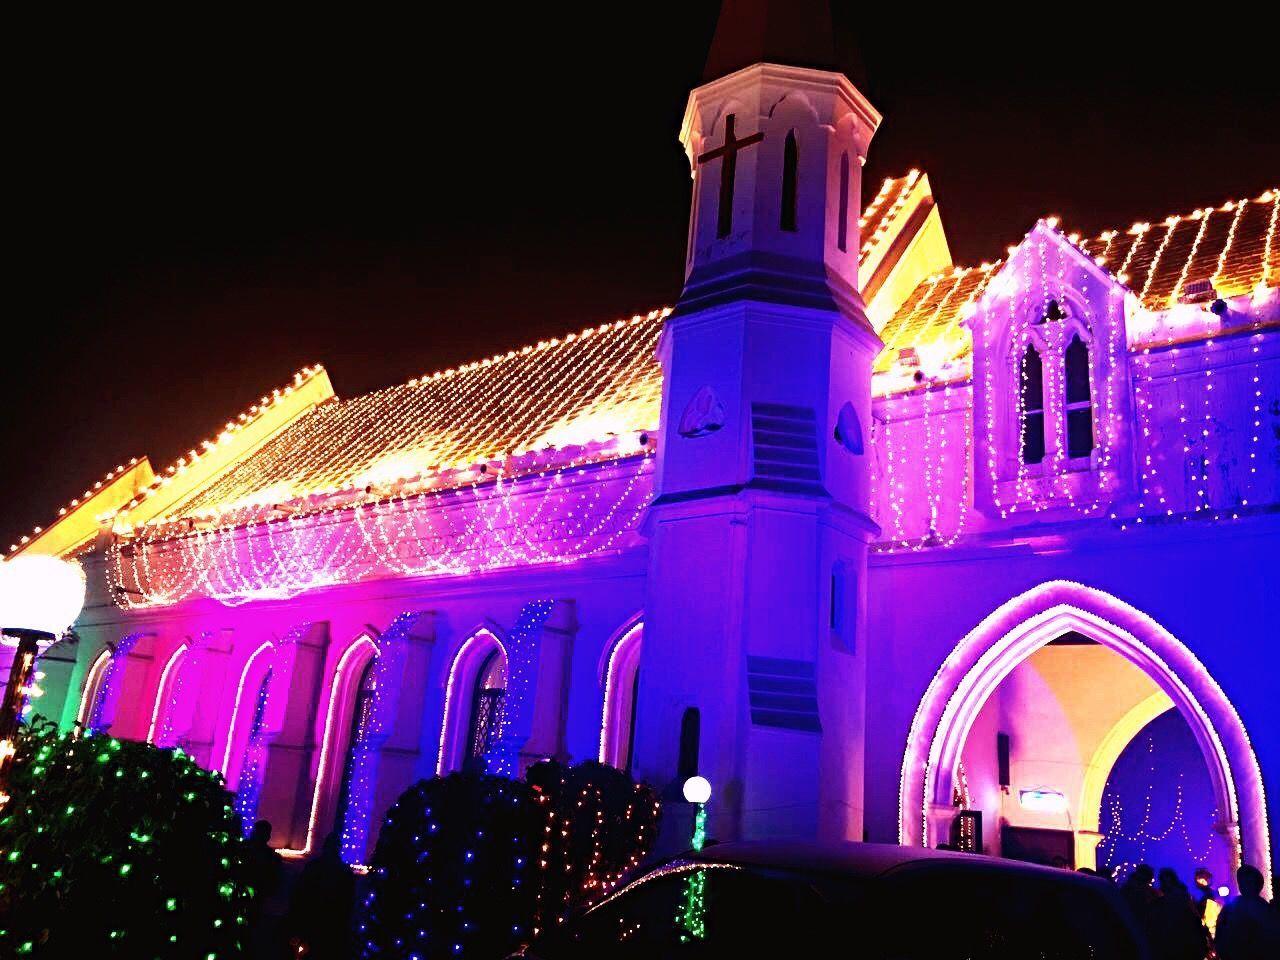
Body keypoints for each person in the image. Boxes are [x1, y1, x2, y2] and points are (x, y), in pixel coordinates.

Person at [286, 831, 356, 960]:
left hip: (312, 920)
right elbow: (348, 903)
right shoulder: (344, 872)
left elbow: (299, 894)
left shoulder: (314, 867)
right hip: (330, 924)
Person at [1215, 865, 1280, 960]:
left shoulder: (1263, 907)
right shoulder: (1263, 907)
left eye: (1249, 882)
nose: (1245, 885)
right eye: (1243, 882)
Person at [1144, 868, 1208, 960]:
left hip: (1176, 948)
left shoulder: (1162, 904)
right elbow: (1196, 920)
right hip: (1189, 947)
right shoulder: (1186, 899)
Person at [244, 820, 285, 958]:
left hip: (255, 898)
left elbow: (273, 883)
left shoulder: (245, 850)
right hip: (254, 898)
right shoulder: (271, 857)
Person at [1193, 867, 1222, 939]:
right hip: (1203, 921)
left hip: (1213, 921)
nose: (1203, 880)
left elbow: (1219, 903)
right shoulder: (1196, 893)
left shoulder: (1212, 892)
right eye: (1201, 877)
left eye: (1206, 877)